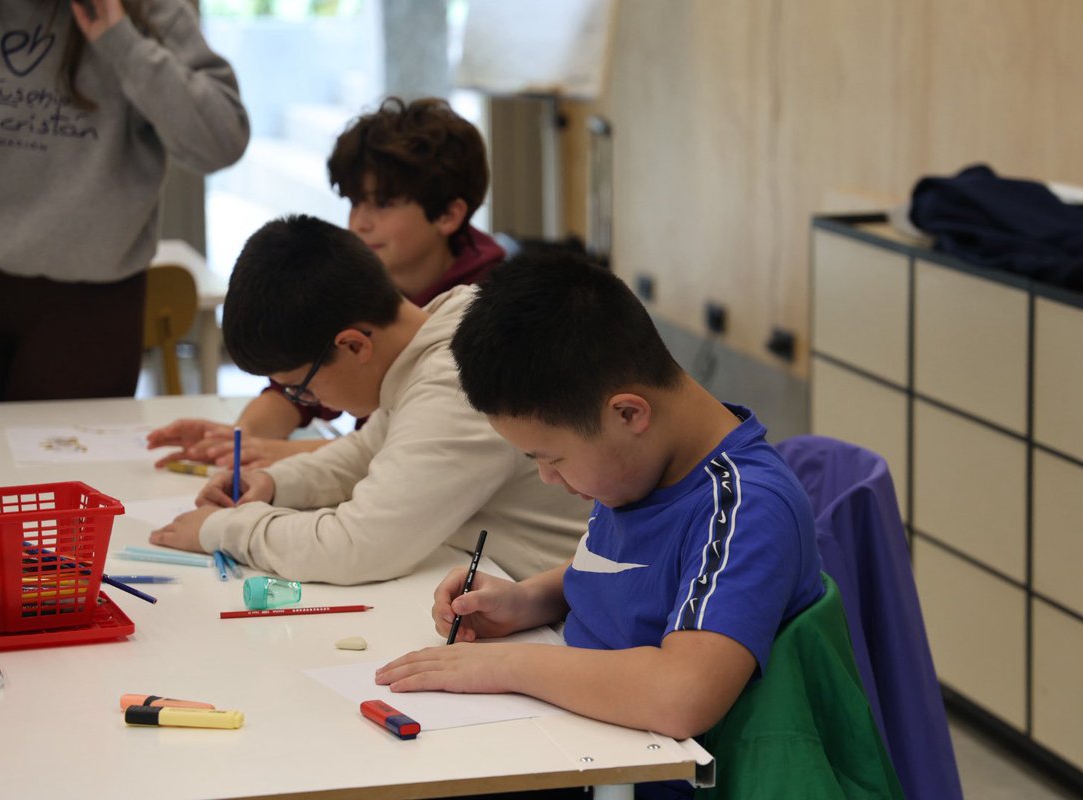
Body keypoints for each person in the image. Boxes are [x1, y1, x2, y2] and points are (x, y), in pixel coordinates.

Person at [372, 251, 826, 797]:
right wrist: (531, 599)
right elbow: (634, 572)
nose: (548, 478)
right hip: (582, 748)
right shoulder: (639, 464)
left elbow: (681, 694)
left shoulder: (744, 506)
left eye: (552, 458)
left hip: (646, 779)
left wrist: (504, 665)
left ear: (629, 414)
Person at [148, 215, 589, 584]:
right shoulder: (441, 324)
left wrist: (224, 529)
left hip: (559, 613)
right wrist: (275, 483)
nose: (306, 399)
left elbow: (356, 548)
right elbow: (368, 450)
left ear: (354, 345)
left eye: (301, 387)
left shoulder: (455, 381)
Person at [147, 96, 502, 468]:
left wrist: (283, 454)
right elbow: (297, 382)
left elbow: (423, 445)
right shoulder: (359, 273)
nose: (360, 222)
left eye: (382, 204)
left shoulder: (488, 314)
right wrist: (238, 440)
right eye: (354, 202)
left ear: (448, 214)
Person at [0, 0, 248, 402]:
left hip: (89, 304)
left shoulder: (148, 9)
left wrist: (122, 42)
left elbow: (222, 139)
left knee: (68, 446)